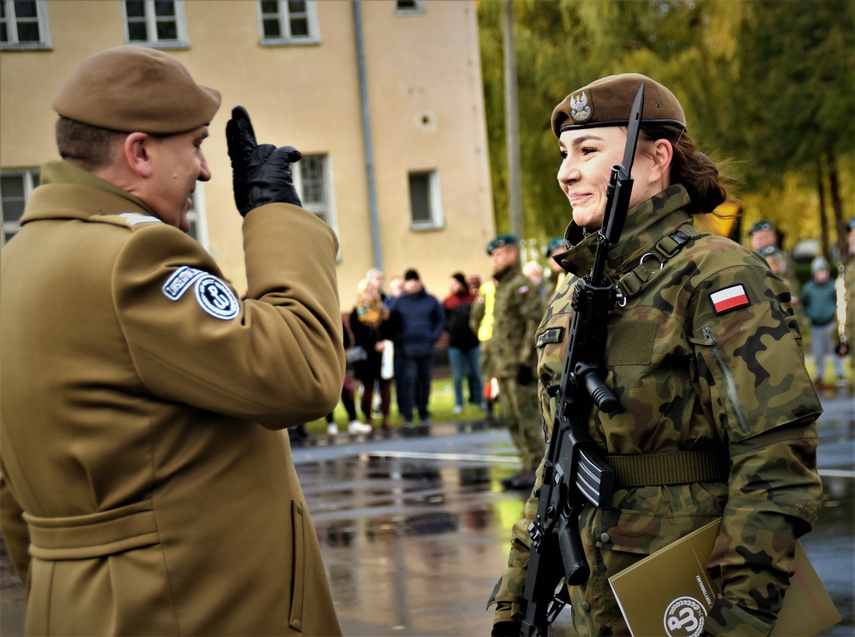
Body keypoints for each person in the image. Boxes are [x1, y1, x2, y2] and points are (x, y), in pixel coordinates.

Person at [0, 46, 344, 636]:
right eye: (195, 145)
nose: (206, 171)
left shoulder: (17, 264)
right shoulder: (134, 256)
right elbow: (301, 375)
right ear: (139, 152)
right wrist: (276, 217)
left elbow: (13, 498)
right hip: (182, 609)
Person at [488, 73, 822, 636]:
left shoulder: (717, 275)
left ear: (656, 158)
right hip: (601, 598)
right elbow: (557, 464)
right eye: (564, 153)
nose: (566, 172)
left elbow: (775, 461)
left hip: (691, 595)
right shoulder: (573, 293)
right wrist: (513, 601)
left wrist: (738, 618)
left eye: (588, 150)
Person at [485, 234, 546, 491]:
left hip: (518, 366)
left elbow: (533, 323)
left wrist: (525, 361)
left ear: (512, 254)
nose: (494, 261)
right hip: (503, 365)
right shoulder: (503, 287)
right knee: (512, 419)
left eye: (498, 255)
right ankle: (525, 463)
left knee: (527, 418)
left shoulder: (521, 286)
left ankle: (538, 468)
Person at [389, 269, 445, 427]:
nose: (413, 284)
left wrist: (433, 337)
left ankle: (423, 412)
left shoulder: (430, 300)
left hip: (425, 348)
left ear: (419, 282)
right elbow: (392, 325)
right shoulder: (398, 303)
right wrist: (400, 341)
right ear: (405, 284)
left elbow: (440, 319)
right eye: (409, 281)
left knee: (424, 381)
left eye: (415, 281)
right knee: (408, 382)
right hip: (406, 350)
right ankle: (408, 414)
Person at [349, 279, 394, 432]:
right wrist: (373, 345)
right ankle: (368, 419)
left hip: (383, 354)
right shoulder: (357, 311)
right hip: (367, 355)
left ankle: (386, 417)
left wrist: (384, 342)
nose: (370, 292)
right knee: (368, 387)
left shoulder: (383, 310)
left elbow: (389, 328)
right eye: (366, 290)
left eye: (372, 289)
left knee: (385, 386)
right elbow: (358, 334)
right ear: (361, 293)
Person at [443, 272, 485, 414]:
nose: (452, 287)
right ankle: (459, 403)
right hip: (455, 344)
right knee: (457, 376)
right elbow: (445, 320)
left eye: (454, 283)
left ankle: (480, 401)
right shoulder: (448, 301)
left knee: (476, 373)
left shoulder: (473, 299)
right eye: (450, 284)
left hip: (473, 342)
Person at [801, 256, 846, 387]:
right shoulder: (808, 288)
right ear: (814, 273)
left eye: (824, 271)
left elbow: (838, 301)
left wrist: (834, 313)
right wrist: (810, 314)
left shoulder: (832, 286)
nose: (822, 274)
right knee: (818, 352)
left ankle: (840, 374)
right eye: (819, 272)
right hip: (816, 326)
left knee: (835, 350)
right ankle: (819, 375)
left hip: (830, 324)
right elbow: (805, 303)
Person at [326, 320, 368, 436]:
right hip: (325, 361)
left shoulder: (336, 319)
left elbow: (347, 340)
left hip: (337, 360)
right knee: (329, 392)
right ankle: (331, 423)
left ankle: (352, 421)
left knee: (346, 390)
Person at [749, 219, 801, 308]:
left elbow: (790, 278)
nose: (759, 241)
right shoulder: (751, 259)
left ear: (773, 237)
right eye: (756, 238)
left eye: (763, 237)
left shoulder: (780, 257)